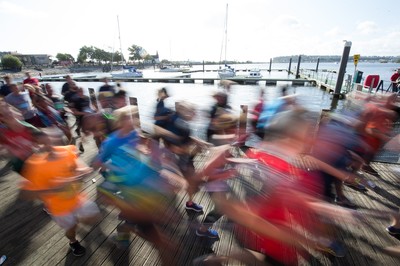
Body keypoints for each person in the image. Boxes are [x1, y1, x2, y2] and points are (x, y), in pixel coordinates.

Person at [20, 132, 100, 257]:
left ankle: (76, 220)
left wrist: (82, 172)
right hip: (59, 207)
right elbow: (26, 193)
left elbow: (79, 166)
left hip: (77, 198)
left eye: (49, 140)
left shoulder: (67, 150)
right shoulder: (34, 165)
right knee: (71, 228)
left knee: (92, 215)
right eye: (42, 143)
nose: (48, 145)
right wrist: (54, 189)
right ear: (35, 145)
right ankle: (73, 242)